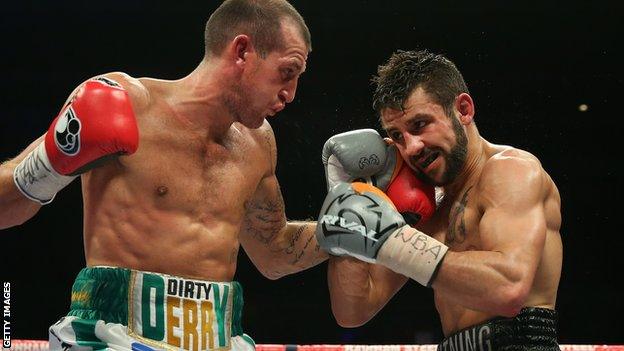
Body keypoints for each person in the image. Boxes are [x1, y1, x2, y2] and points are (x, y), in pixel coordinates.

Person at [0, 1, 328, 350]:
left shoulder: (259, 142)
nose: (290, 94)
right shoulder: (127, 102)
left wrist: (340, 229)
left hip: (218, 336)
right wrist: (50, 162)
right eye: (287, 72)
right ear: (242, 51)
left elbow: (273, 253)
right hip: (115, 334)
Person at [315, 49, 562, 350]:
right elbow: (353, 311)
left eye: (420, 125)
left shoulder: (511, 170)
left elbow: (508, 288)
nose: (412, 147)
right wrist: (347, 204)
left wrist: (391, 240)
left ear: (464, 109)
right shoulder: (427, 208)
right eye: (398, 135)